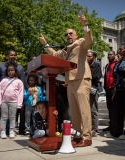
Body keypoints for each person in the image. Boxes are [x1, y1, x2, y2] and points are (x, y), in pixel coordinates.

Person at [39, 10, 92, 147]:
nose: (68, 36)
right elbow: (54, 54)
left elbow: (89, 40)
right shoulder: (65, 50)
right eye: (66, 34)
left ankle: (87, 137)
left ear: (76, 35)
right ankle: (79, 135)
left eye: (70, 33)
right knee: (74, 112)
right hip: (70, 82)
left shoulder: (81, 43)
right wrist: (45, 44)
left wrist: (84, 24)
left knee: (84, 110)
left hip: (81, 79)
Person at [0, 50, 25, 135]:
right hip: (1, 93)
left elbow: (22, 83)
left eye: (14, 55)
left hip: (13, 96)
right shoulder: (1, 66)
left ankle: (7, 129)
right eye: (11, 55)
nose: (13, 56)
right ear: (7, 56)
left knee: (10, 114)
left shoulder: (20, 68)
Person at [105, 43, 125, 141]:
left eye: (121, 49)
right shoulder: (119, 61)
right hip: (118, 88)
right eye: (119, 49)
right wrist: (114, 89)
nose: (119, 51)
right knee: (115, 110)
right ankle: (116, 131)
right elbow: (115, 75)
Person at [0, 61, 24, 139]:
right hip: (4, 102)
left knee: (13, 117)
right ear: (6, 72)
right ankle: (2, 131)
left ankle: (12, 131)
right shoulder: (3, 81)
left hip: (14, 102)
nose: (10, 72)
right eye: (9, 71)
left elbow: (20, 93)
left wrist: (19, 104)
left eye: (12, 70)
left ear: (15, 71)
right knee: (3, 117)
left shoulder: (19, 82)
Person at [87, 50, 102, 137]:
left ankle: (95, 128)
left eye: (89, 56)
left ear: (94, 57)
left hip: (93, 89)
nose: (88, 58)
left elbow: (96, 77)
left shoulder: (97, 65)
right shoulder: (85, 65)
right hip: (85, 89)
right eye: (87, 56)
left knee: (93, 109)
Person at [103, 50, 117, 132]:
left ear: (114, 55)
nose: (109, 56)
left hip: (113, 88)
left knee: (114, 109)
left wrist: (114, 89)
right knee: (109, 108)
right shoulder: (107, 65)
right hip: (107, 89)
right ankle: (111, 125)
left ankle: (115, 127)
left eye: (111, 54)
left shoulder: (116, 64)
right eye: (108, 55)